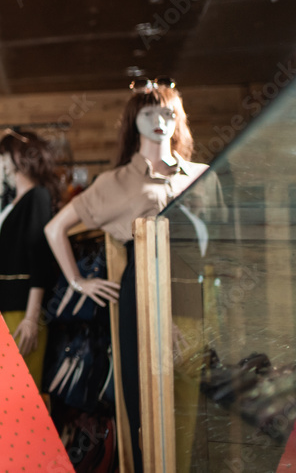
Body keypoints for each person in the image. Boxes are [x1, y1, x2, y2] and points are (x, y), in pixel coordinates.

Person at [44, 79, 207, 472]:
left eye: (168, 112)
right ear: (134, 122)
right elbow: (54, 229)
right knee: (151, 401)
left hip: (201, 294)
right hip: (147, 294)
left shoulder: (201, 175)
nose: (160, 121)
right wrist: (79, 282)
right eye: (149, 113)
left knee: (199, 404)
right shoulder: (115, 183)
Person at [0, 130, 60, 388]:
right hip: (5, 305)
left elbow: (39, 258)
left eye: (5, 155)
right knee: (7, 390)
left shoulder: (37, 196)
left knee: (22, 392)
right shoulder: (14, 202)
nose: (1, 162)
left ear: (22, 156)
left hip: (22, 309)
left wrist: (31, 317)